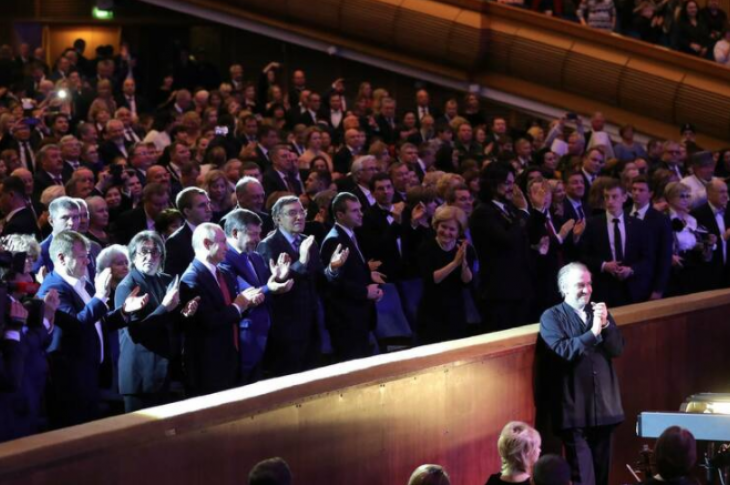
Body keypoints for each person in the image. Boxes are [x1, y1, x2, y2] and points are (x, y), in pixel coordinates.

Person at [37, 230, 149, 427]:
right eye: (82, 257)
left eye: (88, 257)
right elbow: (77, 325)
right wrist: (100, 296)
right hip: (70, 382)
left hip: (89, 375)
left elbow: (98, 322)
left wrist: (123, 311)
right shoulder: (54, 288)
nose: (87, 262)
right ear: (62, 258)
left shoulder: (82, 283)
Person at [539, 262, 624, 485]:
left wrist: (605, 325)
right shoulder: (551, 317)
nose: (586, 289)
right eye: (580, 285)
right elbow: (563, 351)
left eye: (589, 284)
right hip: (574, 411)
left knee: (603, 477)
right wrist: (594, 331)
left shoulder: (599, 312)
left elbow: (617, 349)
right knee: (582, 478)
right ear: (564, 288)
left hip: (604, 409)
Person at [256, 196, 346, 376]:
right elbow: (275, 287)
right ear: (277, 219)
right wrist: (302, 261)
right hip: (286, 329)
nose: (299, 217)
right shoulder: (268, 246)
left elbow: (320, 280)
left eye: (301, 212)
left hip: (312, 323)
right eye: (292, 213)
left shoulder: (308, 241)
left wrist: (333, 268)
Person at [115, 231, 199, 412]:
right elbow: (135, 334)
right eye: (143, 251)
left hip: (166, 371)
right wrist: (164, 307)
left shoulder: (166, 279)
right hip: (141, 376)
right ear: (133, 256)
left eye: (155, 252)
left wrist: (185, 313)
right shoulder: (127, 287)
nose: (150, 256)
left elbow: (172, 322)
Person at [179, 223, 259, 396]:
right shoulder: (192, 279)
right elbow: (208, 321)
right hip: (209, 365)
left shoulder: (223, 272)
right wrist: (239, 305)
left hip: (230, 358)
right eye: (223, 242)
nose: (227, 246)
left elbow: (231, 309)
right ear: (207, 244)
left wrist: (247, 304)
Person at [220, 209, 294, 384]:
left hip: (265, 333)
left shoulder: (255, 257)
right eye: (253, 234)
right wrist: (270, 287)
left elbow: (266, 289)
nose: (258, 239)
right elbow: (240, 296)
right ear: (235, 233)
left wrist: (278, 279)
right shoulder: (224, 260)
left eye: (259, 234)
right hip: (244, 338)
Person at [321, 192, 381, 362]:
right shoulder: (334, 240)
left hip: (358, 316)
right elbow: (333, 282)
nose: (361, 214)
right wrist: (364, 292)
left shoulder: (350, 235)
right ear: (340, 215)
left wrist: (372, 287)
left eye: (360, 209)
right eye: (355, 211)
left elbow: (353, 272)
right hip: (346, 319)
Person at [579, 179, 652, 307]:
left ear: (624, 197)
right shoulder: (592, 224)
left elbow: (647, 258)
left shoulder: (638, 225)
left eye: (614, 197)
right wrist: (604, 265)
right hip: (603, 289)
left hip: (632, 289)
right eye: (607, 197)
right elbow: (583, 255)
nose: (610, 201)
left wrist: (631, 269)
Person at [417, 205, 474, 344]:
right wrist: (454, 263)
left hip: (456, 310)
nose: (446, 232)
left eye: (452, 229)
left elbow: (467, 282)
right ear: (436, 226)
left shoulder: (464, 248)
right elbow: (432, 279)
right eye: (443, 227)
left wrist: (463, 261)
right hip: (432, 311)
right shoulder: (427, 247)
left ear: (459, 231)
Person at [165, 187, 212, 277]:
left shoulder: (217, 231)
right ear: (187, 211)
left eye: (208, 203)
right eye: (202, 205)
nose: (208, 209)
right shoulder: (175, 242)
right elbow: (172, 279)